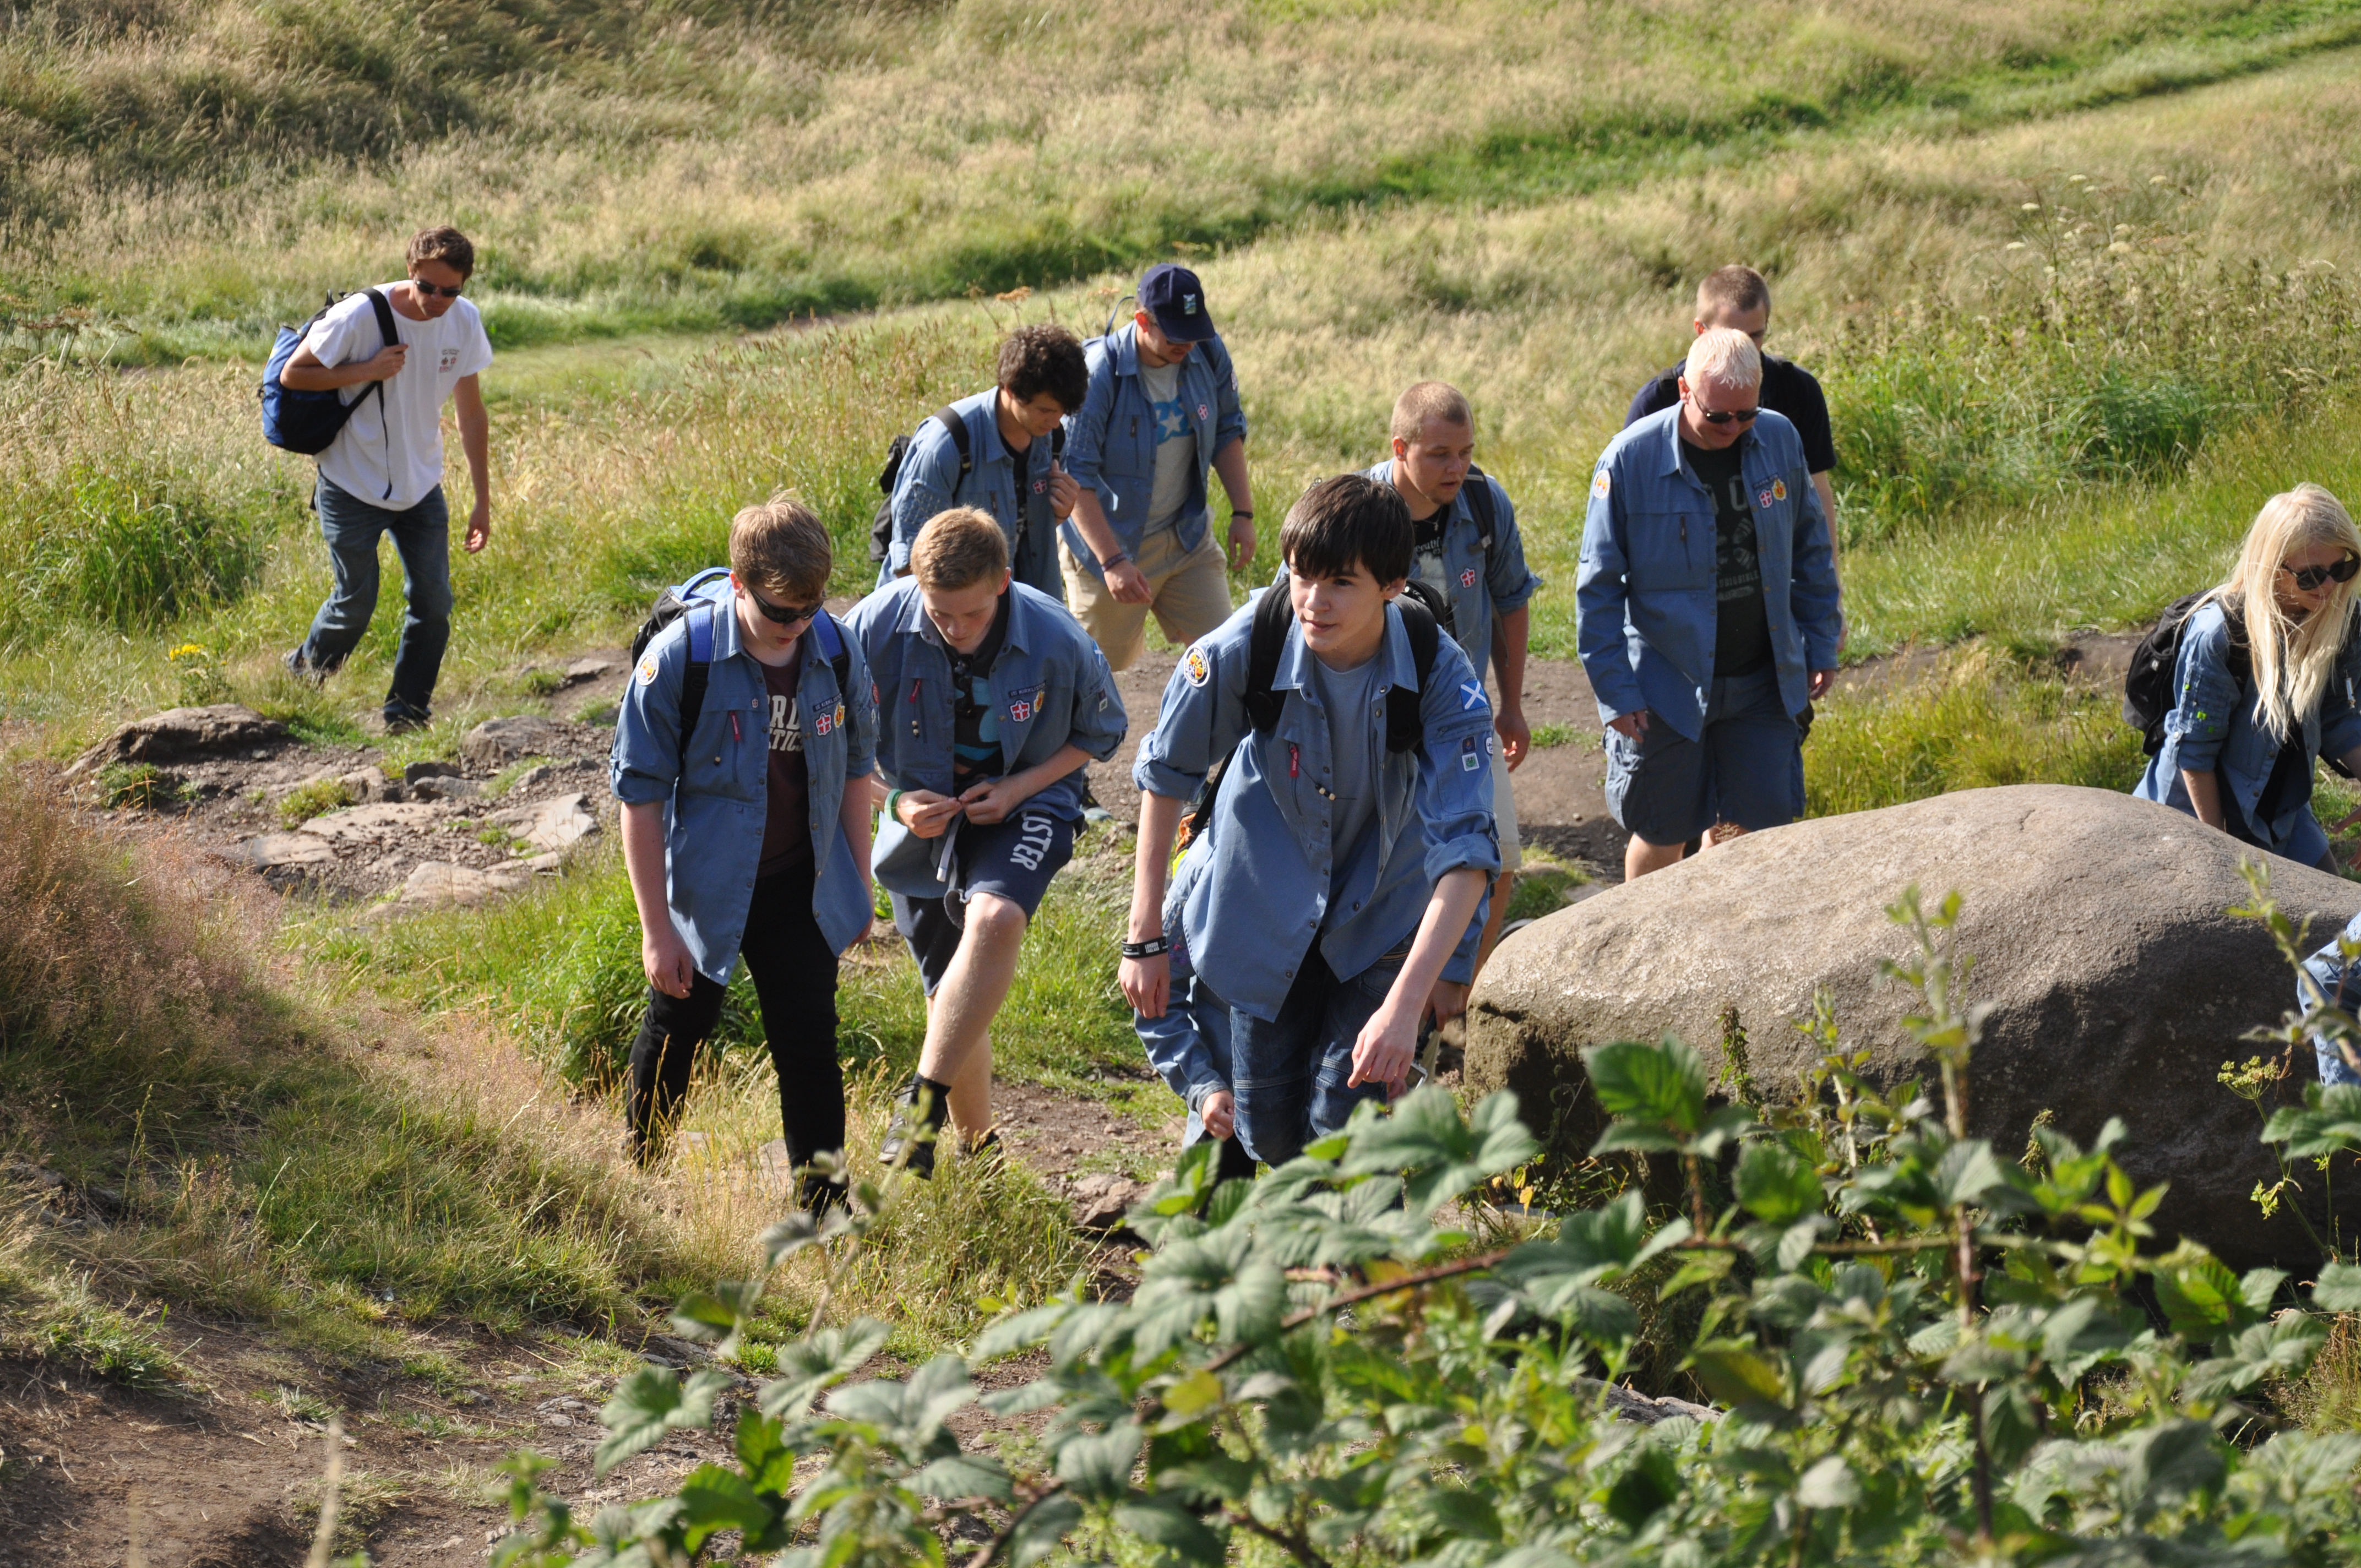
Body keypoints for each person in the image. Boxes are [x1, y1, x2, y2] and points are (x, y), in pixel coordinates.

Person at [1124, 475, 1498, 1168]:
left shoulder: (1440, 672)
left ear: (1391, 584)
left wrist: (1408, 1003)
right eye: (1301, 577)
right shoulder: (1244, 647)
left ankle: (1355, 1266)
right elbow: (1164, 774)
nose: (1312, 603)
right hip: (1262, 911)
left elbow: (1469, 851)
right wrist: (1144, 934)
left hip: (1382, 914)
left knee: (1345, 1122)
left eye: (1340, 585)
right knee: (1264, 1130)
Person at [610, 499, 880, 1212]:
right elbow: (638, 800)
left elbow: (856, 771)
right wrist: (656, 930)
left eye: (811, 610)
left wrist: (859, 883)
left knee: (809, 1047)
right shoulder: (681, 661)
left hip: (801, 886)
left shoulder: (838, 648)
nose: (798, 628)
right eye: (781, 613)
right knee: (677, 1030)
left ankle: (822, 1207)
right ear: (738, 583)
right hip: (704, 889)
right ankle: (640, 1176)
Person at [845, 507, 1128, 1174]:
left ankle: (919, 1107)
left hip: (1026, 802)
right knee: (948, 991)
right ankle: (980, 1152)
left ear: (1003, 581)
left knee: (996, 918)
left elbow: (1103, 731)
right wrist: (894, 800)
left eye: (970, 614)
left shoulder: (1057, 636)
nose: (956, 628)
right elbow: (833, 743)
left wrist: (1022, 785)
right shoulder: (870, 627)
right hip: (921, 816)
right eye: (940, 614)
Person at [1577, 328, 1841, 882]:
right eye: (1717, 416)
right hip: (1665, 688)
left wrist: (1821, 638)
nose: (1733, 429)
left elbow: (1810, 548)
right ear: (1683, 390)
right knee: (1661, 830)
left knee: (1764, 834)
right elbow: (1597, 588)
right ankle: (1644, 947)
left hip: (1762, 681)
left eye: (1745, 415)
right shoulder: (1628, 461)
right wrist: (1615, 693)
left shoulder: (1779, 438)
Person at [279, 225, 493, 731]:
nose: (438, 300)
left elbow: (472, 415)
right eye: (428, 288)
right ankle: (303, 674)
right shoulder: (360, 315)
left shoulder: (464, 322)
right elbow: (295, 373)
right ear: (411, 272)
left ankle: (407, 713)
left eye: (451, 291)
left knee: (434, 604)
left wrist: (483, 500)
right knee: (355, 603)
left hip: (420, 488)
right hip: (350, 483)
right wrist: (366, 370)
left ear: (464, 286)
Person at [1366, 382, 1541, 970]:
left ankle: (1461, 996)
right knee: (1389, 866)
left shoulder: (1484, 503)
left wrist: (1511, 703)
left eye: (1464, 452)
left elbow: (1511, 601)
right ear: (1400, 448)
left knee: (1496, 858)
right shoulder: (1357, 512)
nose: (1457, 466)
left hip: (1460, 713)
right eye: (1439, 454)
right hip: (1373, 717)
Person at [2136, 484, 2361, 873]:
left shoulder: (2339, 615)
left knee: (2337, 919)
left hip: (2279, 810)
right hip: (2193, 812)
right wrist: (2224, 857)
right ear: (2273, 568)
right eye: (2310, 576)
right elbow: (2194, 753)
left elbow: (2338, 715)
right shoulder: (2219, 635)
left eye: (2343, 569)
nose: (2329, 587)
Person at [1060, 263, 1254, 671]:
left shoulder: (1207, 350)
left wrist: (1243, 513)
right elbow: (1076, 477)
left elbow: (1227, 429)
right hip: (1108, 544)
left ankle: (1203, 735)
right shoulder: (1098, 374)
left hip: (1186, 538)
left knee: (1230, 658)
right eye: (1175, 335)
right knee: (1094, 675)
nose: (1187, 344)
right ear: (1142, 321)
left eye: (1194, 331)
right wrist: (1113, 562)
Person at [1624, 264, 1842, 594]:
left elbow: (1818, 495)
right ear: (1700, 329)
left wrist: (1832, 589)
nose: (1746, 348)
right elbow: (1629, 522)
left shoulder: (1797, 391)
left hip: (1775, 591)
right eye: (1731, 335)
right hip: (1684, 592)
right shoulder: (1656, 403)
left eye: (1756, 335)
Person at [879, 324, 1089, 602]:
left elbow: (1024, 534)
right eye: (1046, 411)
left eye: (1063, 412)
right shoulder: (945, 445)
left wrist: (1058, 515)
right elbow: (910, 564)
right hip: (949, 618)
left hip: (1019, 612)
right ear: (1012, 390)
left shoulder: (1052, 439)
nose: (1055, 422)